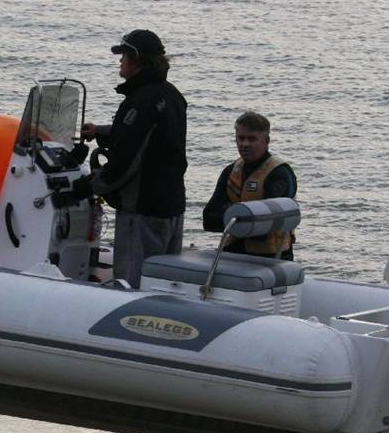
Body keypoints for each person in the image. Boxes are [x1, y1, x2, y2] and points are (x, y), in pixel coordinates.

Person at [77, 29, 188, 288]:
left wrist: (92, 184)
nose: (120, 62)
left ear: (137, 60)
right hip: (172, 205)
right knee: (162, 282)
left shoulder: (140, 102)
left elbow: (127, 163)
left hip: (143, 210)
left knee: (132, 283)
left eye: (123, 56)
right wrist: (101, 133)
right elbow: (149, 139)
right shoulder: (171, 95)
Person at [202, 111, 298, 260]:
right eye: (241, 138)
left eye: (252, 139)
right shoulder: (231, 171)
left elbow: (266, 227)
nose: (245, 144)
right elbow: (208, 219)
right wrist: (246, 219)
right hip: (233, 250)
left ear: (266, 141)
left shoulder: (279, 173)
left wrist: (230, 214)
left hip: (271, 255)